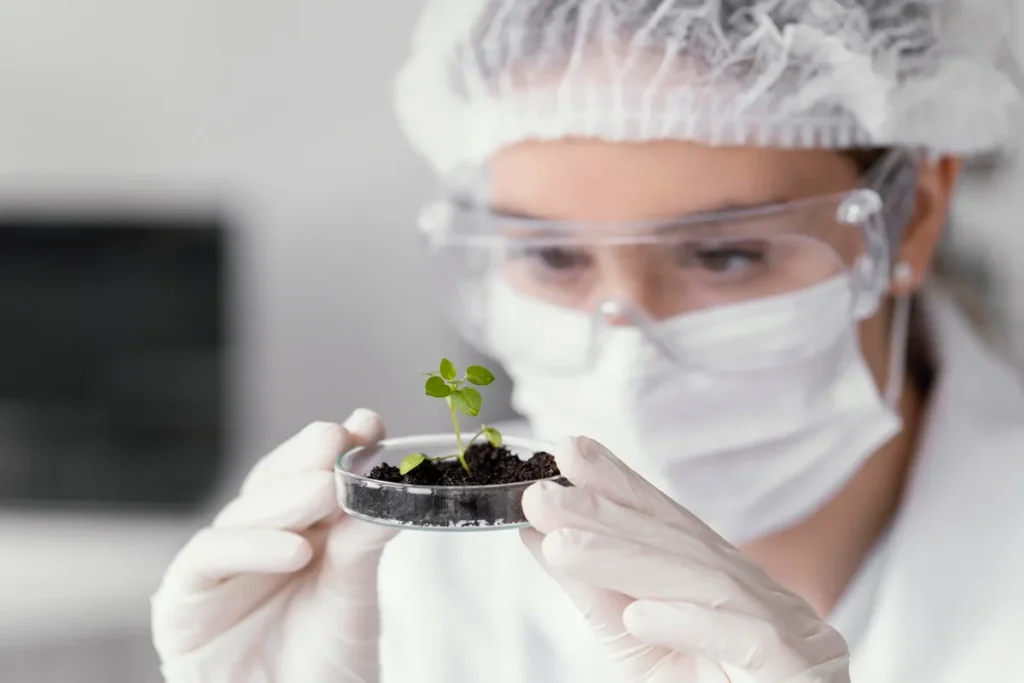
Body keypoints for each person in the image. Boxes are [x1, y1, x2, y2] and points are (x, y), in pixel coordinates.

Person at [150, 1, 1024, 681]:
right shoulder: (405, 599)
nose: (627, 344)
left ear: (911, 216)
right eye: (552, 254)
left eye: (724, 253)